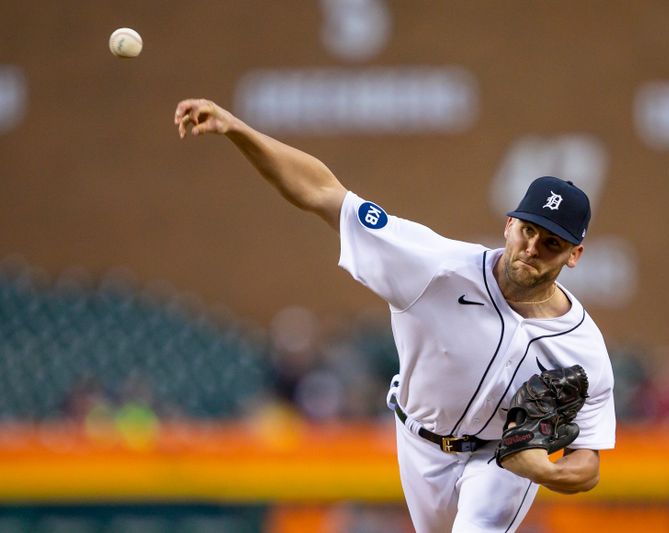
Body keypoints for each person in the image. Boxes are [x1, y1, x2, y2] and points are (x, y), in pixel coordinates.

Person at [174, 99, 616, 532]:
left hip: (500, 458)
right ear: (508, 225)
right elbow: (324, 194)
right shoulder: (433, 266)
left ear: (574, 255)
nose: (532, 248)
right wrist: (237, 129)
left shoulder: (582, 347)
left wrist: (545, 471)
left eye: (552, 243)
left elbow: (589, 463)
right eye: (528, 230)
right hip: (418, 441)